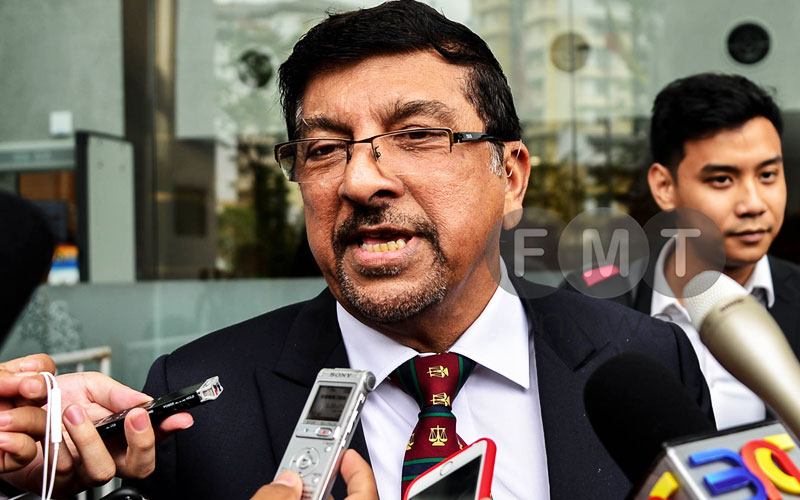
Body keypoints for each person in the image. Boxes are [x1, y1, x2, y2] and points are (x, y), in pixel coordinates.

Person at [129, 2, 712, 499]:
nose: (360, 181)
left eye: (417, 136)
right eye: (324, 148)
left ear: (511, 177)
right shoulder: (201, 404)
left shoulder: (648, 361)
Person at [563, 73, 798, 430]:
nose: (753, 204)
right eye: (722, 180)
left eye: (767, 175)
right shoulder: (592, 301)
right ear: (664, 186)